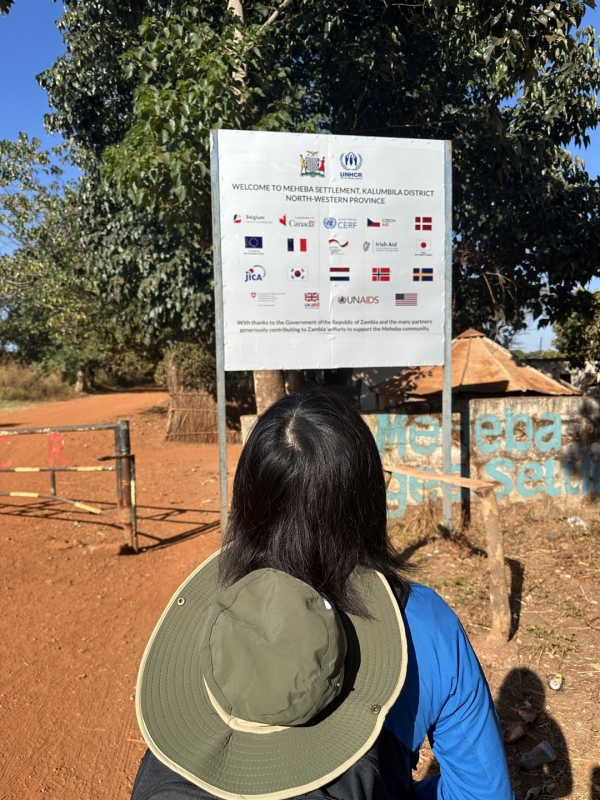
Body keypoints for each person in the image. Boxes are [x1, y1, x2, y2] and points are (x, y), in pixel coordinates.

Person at [132, 389, 514, 800]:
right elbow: (482, 792)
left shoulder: (209, 613)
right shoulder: (425, 623)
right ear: (368, 499)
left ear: (247, 496)